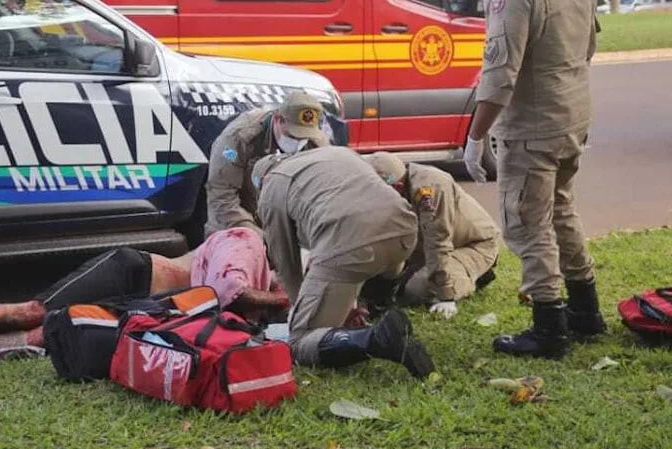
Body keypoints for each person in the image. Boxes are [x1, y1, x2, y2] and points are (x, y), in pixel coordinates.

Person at [463, 0, 606, 359]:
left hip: (533, 125)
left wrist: (476, 137)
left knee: (527, 223)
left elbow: (500, 73)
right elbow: (588, 46)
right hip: (572, 113)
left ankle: (549, 329)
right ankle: (585, 311)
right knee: (561, 210)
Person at [0, 228, 286, 370]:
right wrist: (282, 301)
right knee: (33, 311)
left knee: (45, 337)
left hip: (145, 308)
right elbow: (225, 293)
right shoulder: (246, 240)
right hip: (133, 273)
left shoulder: (268, 272)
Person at [251, 146, 435, 379]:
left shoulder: (272, 186)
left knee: (299, 340)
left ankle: (377, 338)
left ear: (262, 181)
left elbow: (286, 266)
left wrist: (305, 309)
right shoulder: (335, 153)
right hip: (404, 234)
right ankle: (381, 305)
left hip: (355, 248)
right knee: (356, 259)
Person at [365, 152, 500, 318]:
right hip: (424, 246)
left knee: (416, 289)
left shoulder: (430, 188)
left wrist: (445, 294)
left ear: (397, 187)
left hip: (472, 244)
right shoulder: (390, 190)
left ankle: (474, 276)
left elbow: (438, 241)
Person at [205, 90, 331, 237]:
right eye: (292, 135)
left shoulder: (318, 144)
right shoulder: (239, 138)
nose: (297, 142)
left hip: (280, 220)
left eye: (303, 138)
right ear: (277, 119)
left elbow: (324, 194)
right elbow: (221, 196)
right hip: (234, 221)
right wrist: (259, 235)